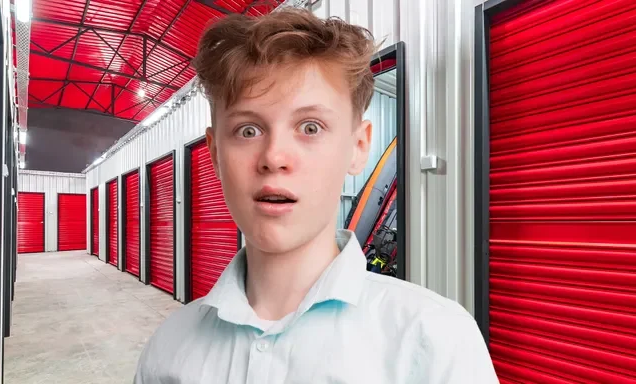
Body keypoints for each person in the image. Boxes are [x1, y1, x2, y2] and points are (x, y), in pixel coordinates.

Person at [133, 7, 498, 384]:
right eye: (247, 130)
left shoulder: (434, 343)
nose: (274, 157)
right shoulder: (168, 350)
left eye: (310, 126)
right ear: (213, 153)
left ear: (358, 147)